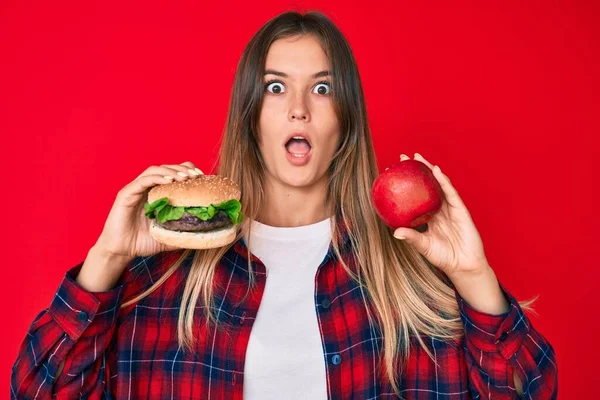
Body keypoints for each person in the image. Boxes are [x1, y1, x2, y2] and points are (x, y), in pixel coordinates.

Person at [11, 10, 557, 399]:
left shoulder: (408, 277)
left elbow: (530, 389)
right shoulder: (164, 279)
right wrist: (105, 262)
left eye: (321, 89)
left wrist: (472, 275)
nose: (298, 109)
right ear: (251, 115)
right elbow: (38, 390)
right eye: (275, 88)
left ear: (345, 118)